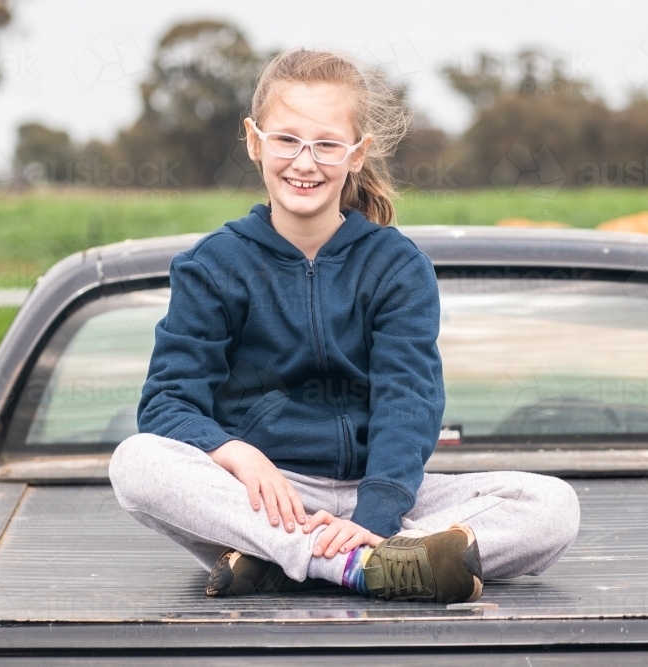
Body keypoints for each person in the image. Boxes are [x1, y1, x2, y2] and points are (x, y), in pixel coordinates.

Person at [108, 47, 580, 604]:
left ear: (358, 154)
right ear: (255, 140)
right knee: (136, 462)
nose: (304, 162)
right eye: (286, 139)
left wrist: (377, 511)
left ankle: (291, 563)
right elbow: (167, 402)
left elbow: (409, 399)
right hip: (265, 500)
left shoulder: (397, 266)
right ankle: (363, 566)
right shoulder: (213, 265)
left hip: (382, 493)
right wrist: (237, 453)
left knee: (552, 506)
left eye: (327, 144)